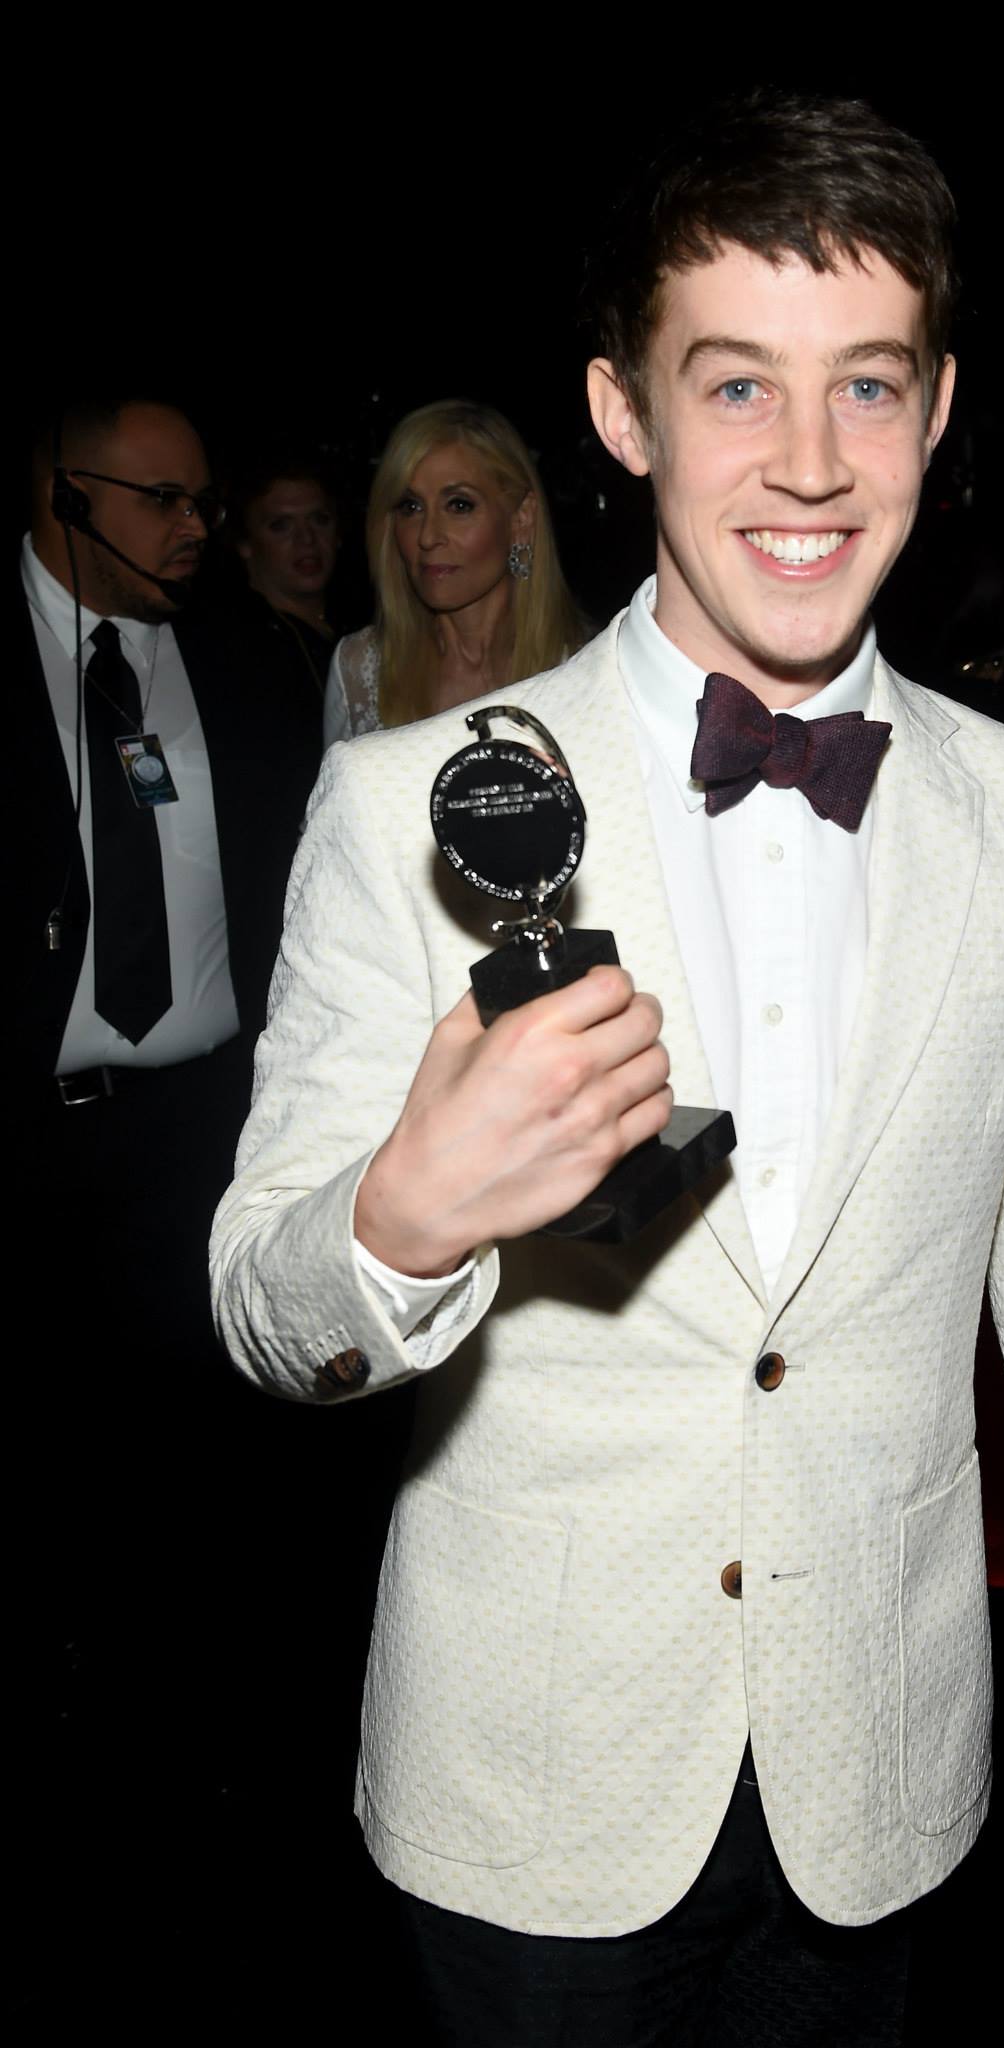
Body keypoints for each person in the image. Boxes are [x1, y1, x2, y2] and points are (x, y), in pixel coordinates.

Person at [212, 93, 1004, 2047]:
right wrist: (401, 1219)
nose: (809, 460)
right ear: (622, 414)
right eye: (736, 383)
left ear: (936, 411)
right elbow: (265, 1302)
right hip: (530, 1772)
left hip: (882, 1769)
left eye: (867, 385)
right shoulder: (405, 800)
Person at [16, 395, 322, 2023]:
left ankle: (195, 1831)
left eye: (208, 501)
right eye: (160, 502)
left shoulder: (245, 668)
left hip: (197, 1139)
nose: (196, 531)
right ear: (59, 495)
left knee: (196, 1500)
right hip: (27, 1144)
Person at [322, 398, 585, 746]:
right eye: (411, 506)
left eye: (459, 505)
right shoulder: (359, 671)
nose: (428, 536)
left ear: (521, 519)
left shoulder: (584, 668)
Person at [230, 458, 343, 699]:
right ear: (245, 543)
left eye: (320, 520)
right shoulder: (238, 649)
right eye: (281, 526)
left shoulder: (367, 621)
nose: (307, 539)